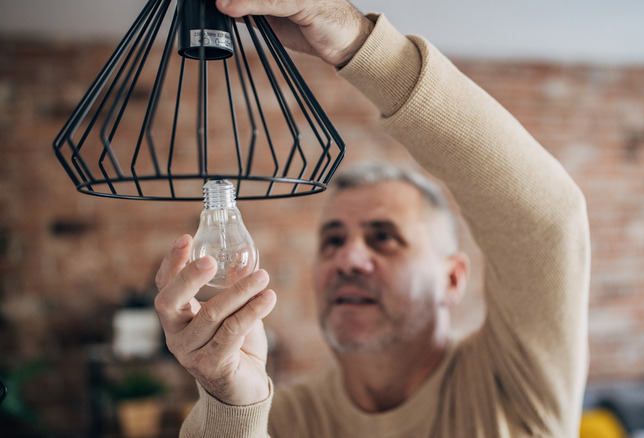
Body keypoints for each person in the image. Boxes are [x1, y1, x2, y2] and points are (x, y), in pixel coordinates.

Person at [153, 0, 591, 436]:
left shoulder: (513, 391)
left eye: (384, 238)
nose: (348, 260)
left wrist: (361, 45)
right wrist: (232, 406)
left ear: (453, 279)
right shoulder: (278, 420)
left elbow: (545, 220)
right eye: (333, 241)